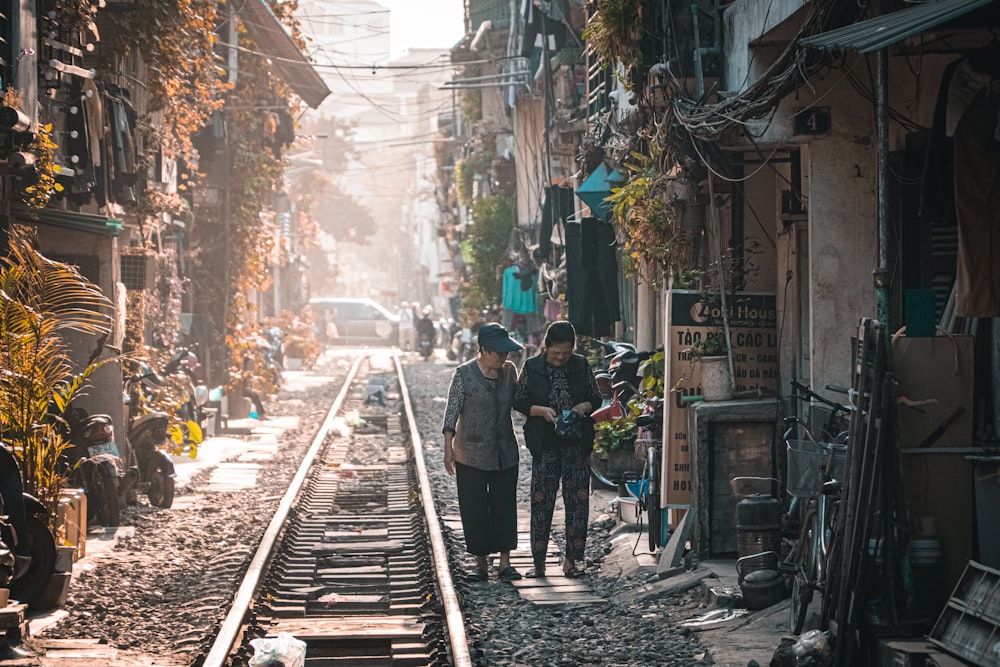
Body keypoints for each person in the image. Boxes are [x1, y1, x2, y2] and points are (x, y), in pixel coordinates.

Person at [513, 320, 602, 578]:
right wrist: (542, 412)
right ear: (546, 347)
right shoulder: (532, 367)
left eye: (566, 353)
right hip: (545, 445)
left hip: (576, 446)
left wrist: (581, 408)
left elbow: (595, 398)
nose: (561, 358)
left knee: (578, 505)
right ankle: (538, 563)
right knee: (542, 503)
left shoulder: (581, 365)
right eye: (556, 353)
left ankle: (572, 561)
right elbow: (519, 401)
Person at [442, 323, 525, 582]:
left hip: (505, 452)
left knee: (504, 506)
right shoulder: (464, 374)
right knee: (475, 509)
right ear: (484, 351)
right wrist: (448, 449)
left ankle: (505, 562)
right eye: (499, 353)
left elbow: (520, 401)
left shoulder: (509, 372)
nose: (503, 357)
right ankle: (480, 564)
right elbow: (452, 412)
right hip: (470, 454)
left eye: (506, 353)